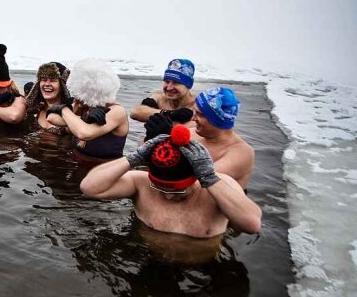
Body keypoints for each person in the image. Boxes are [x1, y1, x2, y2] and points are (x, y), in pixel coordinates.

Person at [80, 124, 261, 238]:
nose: (167, 196)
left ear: (195, 179)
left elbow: (252, 224)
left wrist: (210, 178)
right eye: (159, 188)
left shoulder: (217, 187)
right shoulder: (141, 183)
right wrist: (133, 158)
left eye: (177, 191)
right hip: (147, 263)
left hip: (200, 275)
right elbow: (89, 187)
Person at [144, 86, 255, 189]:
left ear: (217, 120)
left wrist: (167, 145)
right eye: (194, 112)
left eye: (199, 114)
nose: (193, 118)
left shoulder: (241, 153)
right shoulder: (192, 132)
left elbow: (199, 182)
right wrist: (155, 141)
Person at [46, 59, 129, 162]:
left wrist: (67, 114)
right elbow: (51, 117)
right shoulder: (82, 106)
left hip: (105, 169)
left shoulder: (117, 111)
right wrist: (81, 118)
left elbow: (84, 133)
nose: (78, 102)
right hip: (77, 163)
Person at [131, 58, 196, 124]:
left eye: (176, 82)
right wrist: (170, 114)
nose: (169, 88)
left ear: (188, 85)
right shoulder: (159, 97)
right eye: (167, 82)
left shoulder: (197, 105)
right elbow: (135, 112)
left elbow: (196, 128)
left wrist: (154, 114)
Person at [24, 62, 72, 134]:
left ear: (63, 86)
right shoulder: (32, 110)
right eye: (43, 79)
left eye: (53, 80)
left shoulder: (73, 114)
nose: (47, 84)